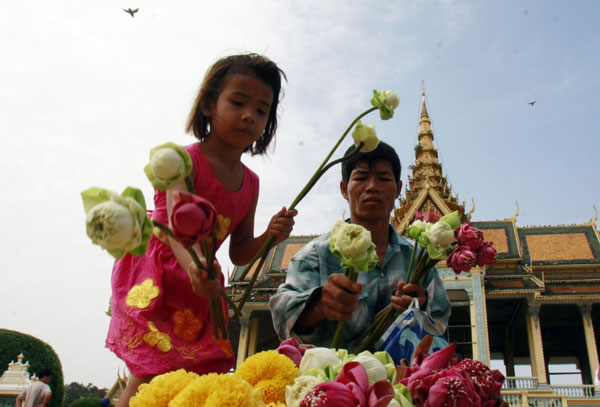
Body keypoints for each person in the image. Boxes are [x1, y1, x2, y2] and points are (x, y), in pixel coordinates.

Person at [106, 53, 297, 407]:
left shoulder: (251, 183)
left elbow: (239, 251)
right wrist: (194, 266)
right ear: (209, 104)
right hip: (163, 270)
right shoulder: (181, 160)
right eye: (238, 102)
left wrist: (271, 236)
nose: (248, 116)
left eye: (261, 110)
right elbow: (178, 228)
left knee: (193, 376)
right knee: (152, 370)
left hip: (203, 285)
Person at [269, 141, 450, 352]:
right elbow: (281, 315)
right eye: (361, 178)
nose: (372, 186)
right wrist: (320, 304)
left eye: (383, 178)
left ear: (399, 189)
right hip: (332, 378)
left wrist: (416, 313)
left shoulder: (418, 258)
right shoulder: (316, 255)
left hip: (401, 378)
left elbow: (439, 323)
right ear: (344, 189)